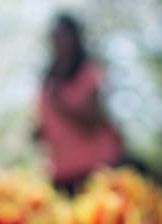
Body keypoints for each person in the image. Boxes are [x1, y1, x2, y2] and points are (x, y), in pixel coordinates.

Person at [35, 13, 125, 194]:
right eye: (55, 35)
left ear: (75, 37)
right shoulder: (47, 81)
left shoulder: (89, 72)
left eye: (63, 35)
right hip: (60, 171)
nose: (58, 40)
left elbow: (92, 122)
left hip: (94, 169)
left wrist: (61, 105)